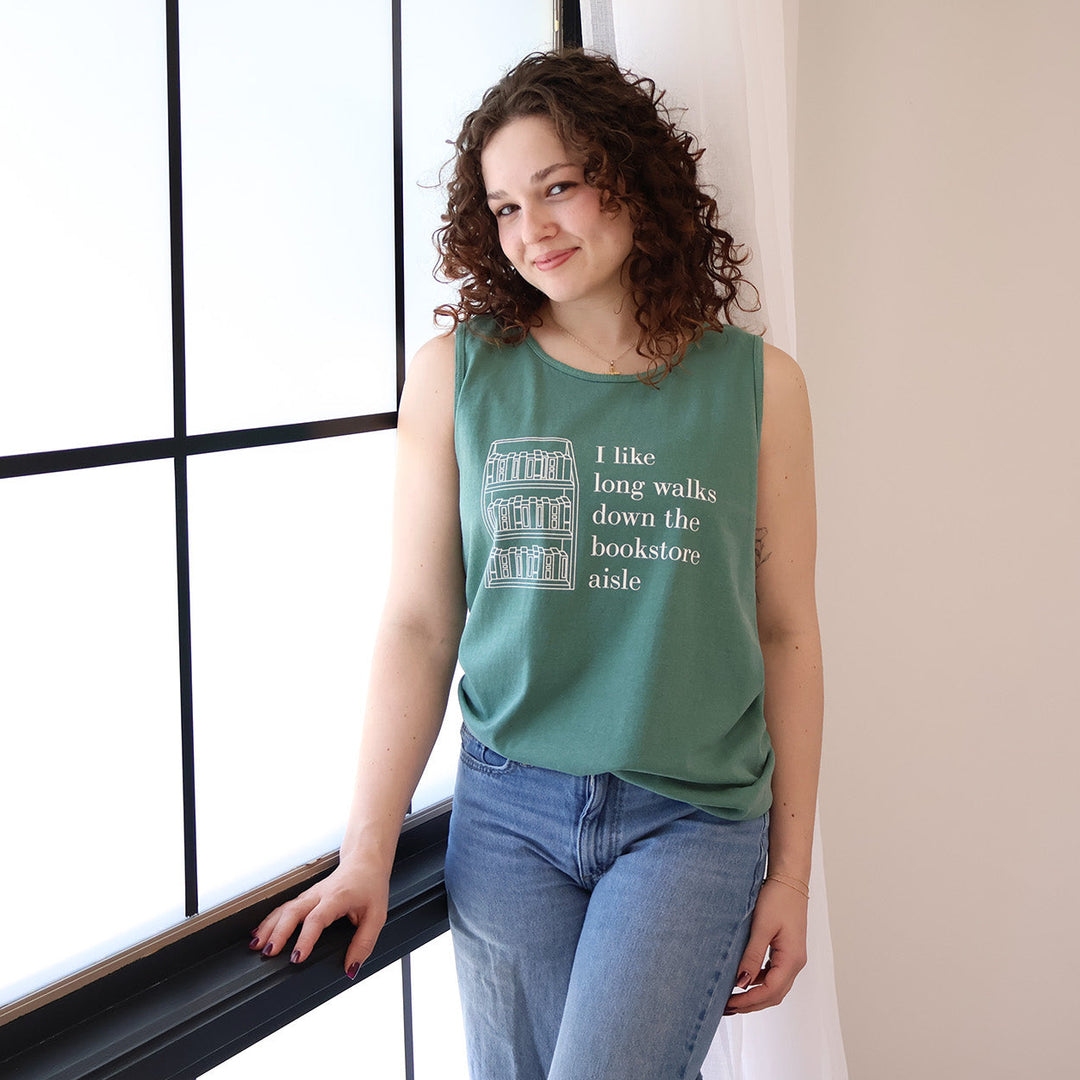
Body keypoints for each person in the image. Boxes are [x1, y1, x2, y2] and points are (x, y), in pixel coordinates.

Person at [251, 50, 822, 1080]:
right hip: (507, 814)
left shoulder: (760, 387)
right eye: (506, 207)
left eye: (558, 187)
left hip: (690, 819)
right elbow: (420, 622)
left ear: (632, 179)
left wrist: (790, 874)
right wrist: (367, 851)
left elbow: (785, 631)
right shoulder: (457, 375)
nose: (533, 230)